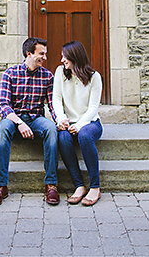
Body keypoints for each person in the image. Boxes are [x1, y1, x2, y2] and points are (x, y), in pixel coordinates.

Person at [0, 37, 59, 208]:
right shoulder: (10, 74)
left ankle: (51, 184)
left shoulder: (47, 76)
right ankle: (0, 186)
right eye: (41, 54)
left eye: (45, 54)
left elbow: (52, 105)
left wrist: (60, 121)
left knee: (51, 128)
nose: (45, 57)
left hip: (36, 119)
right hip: (13, 119)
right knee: (3, 128)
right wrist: (19, 122)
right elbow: (2, 104)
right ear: (29, 53)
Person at [52, 41, 104, 206]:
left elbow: (93, 108)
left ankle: (95, 187)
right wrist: (61, 119)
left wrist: (80, 125)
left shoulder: (94, 77)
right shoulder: (61, 72)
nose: (62, 60)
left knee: (85, 136)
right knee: (63, 139)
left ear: (75, 57)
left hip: (90, 123)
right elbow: (56, 99)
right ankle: (79, 186)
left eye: (64, 57)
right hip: (68, 122)